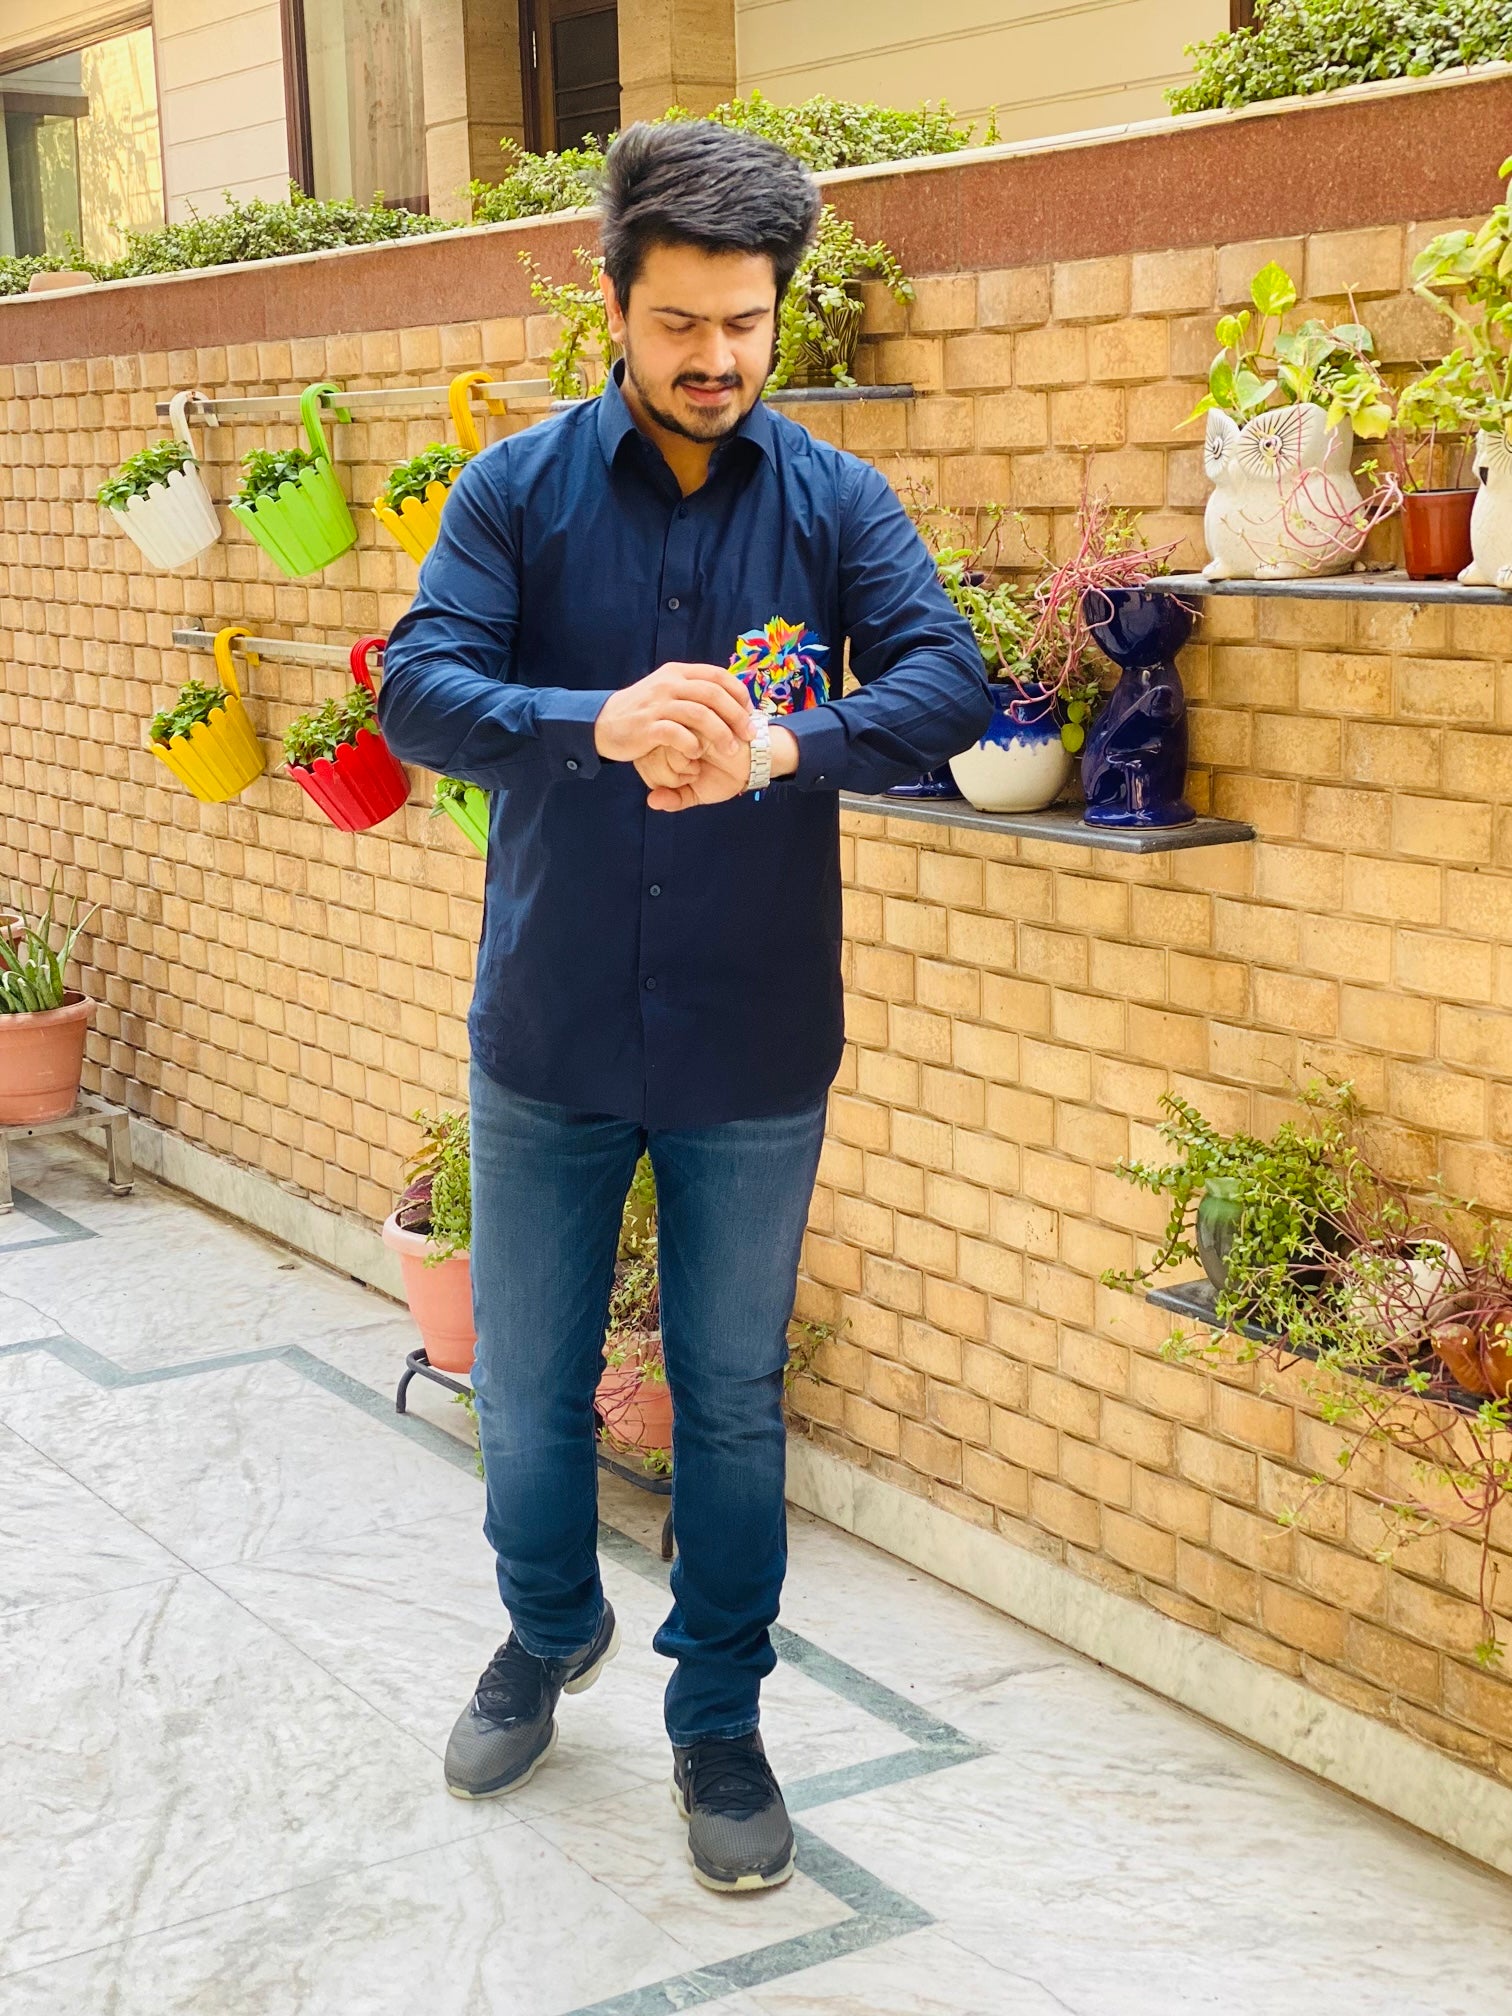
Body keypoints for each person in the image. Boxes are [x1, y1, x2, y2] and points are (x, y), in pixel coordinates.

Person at [377, 117, 991, 1894]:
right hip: (550, 1032)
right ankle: (546, 1628)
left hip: (750, 1040)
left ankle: (718, 1714)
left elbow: (949, 678)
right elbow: (421, 688)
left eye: (746, 324)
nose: (715, 361)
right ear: (615, 309)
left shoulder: (834, 500)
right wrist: (596, 724)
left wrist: (784, 743)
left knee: (729, 1396)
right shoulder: (512, 491)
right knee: (531, 1390)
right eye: (679, 326)